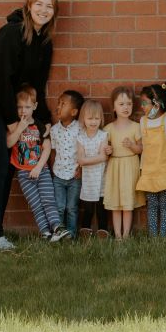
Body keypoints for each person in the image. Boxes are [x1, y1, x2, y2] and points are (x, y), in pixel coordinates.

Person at [0, 0, 58, 251]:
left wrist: (46, 122)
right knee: (0, 165)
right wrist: (12, 122)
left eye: (50, 6)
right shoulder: (11, 33)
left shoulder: (44, 43)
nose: (44, 10)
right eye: (39, 4)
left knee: (8, 167)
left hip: (13, 108)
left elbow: (36, 87)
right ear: (29, 5)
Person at [7, 85, 69, 242]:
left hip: (42, 171)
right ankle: (45, 232)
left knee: (48, 199)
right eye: (20, 107)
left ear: (34, 107)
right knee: (36, 204)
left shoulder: (40, 126)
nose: (23, 111)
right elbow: (8, 143)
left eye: (27, 107)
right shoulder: (15, 125)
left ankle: (57, 227)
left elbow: (47, 148)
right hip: (23, 173)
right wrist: (20, 128)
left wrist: (39, 167)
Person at [136, 83, 166, 237]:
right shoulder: (143, 121)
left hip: (164, 169)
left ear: (157, 104)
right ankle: (153, 236)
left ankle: (164, 235)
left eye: (145, 103)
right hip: (149, 170)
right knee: (152, 205)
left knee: (165, 205)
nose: (142, 106)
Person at [104, 86, 143, 240]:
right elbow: (105, 150)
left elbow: (140, 149)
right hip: (115, 167)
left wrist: (132, 146)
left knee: (127, 203)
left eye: (129, 104)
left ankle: (126, 235)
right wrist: (107, 151)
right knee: (116, 203)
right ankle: (118, 235)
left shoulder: (135, 126)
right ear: (113, 107)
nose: (125, 107)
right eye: (121, 104)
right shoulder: (108, 128)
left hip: (129, 167)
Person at [50, 89, 84, 238]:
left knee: (71, 208)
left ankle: (71, 234)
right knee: (58, 207)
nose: (58, 106)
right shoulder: (54, 130)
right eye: (58, 103)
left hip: (74, 176)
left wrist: (81, 168)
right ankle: (58, 233)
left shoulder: (80, 129)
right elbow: (52, 152)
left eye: (63, 104)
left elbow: (85, 151)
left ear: (74, 112)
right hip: (58, 175)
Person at [76, 99, 110, 239]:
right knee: (88, 208)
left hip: (102, 178)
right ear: (83, 118)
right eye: (90, 118)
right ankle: (85, 231)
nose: (93, 121)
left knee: (102, 207)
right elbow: (81, 160)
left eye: (97, 118)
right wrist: (97, 158)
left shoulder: (103, 135)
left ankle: (103, 231)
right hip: (88, 180)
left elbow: (104, 158)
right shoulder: (80, 137)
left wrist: (86, 160)